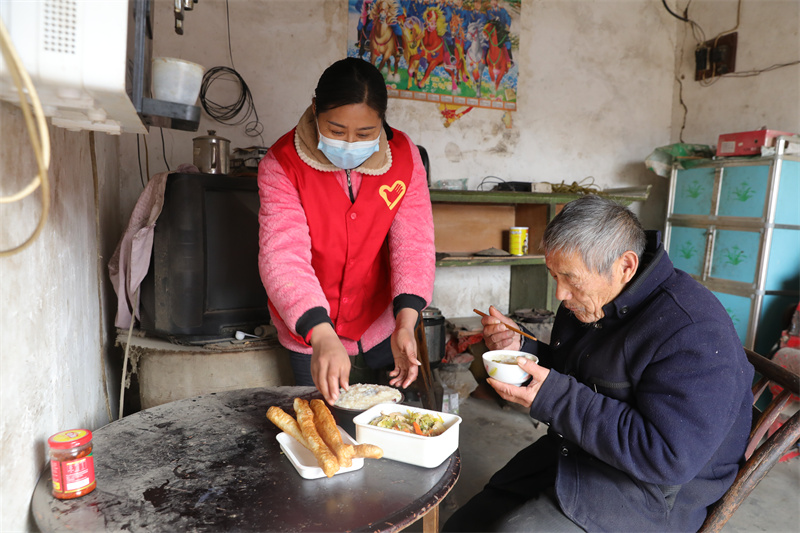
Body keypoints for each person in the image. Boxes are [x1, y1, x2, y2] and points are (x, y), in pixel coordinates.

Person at [443, 195, 753, 532]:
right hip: (582, 449)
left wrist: (555, 397)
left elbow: (667, 457)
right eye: (554, 275)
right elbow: (577, 370)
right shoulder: (592, 301)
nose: (560, 294)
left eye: (571, 278)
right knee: (464, 525)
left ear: (625, 266)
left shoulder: (692, 330)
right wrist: (521, 349)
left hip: (654, 494)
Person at [257, 58, 435, 406]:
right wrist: (321, 333)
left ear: (382, 121)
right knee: (323, 424)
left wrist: (405, 321)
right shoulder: (282, 163)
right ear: (315, 109)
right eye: (337, 131)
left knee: (390, 424)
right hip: (311, 328)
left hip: (382, 324)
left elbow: (414, 244)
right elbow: (283, 256)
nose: (350, 143)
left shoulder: (404, 157)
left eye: (365, 134)